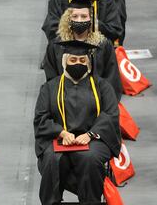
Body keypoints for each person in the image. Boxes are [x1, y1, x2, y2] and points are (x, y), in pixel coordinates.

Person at [34, 40, 120, 205]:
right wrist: (62, 133)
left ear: (88, 63)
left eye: (82, 60)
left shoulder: (102, 86)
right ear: (65, 61)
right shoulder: (49, 88)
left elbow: (110, 114)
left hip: (93, 139)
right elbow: (41, 118)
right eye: (73, 60)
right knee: (53, 159)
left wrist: (89, 134)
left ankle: (90, 201)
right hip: (59, 138)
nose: (77, 63)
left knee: (89, 158)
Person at [43, 0, 121, 98]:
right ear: (68, 19)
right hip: (64, 99)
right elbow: (51, 78)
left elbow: (111, 78)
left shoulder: (104, 45)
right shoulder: (56, 45)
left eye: (84, 16)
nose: (79, 20)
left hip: (96, 99)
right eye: (75, 16)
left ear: (91, 19)